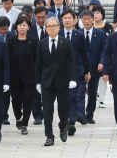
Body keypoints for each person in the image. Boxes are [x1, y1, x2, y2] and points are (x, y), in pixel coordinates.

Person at [35, 17, 78, 146]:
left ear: (59, 27)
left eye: (54, 26)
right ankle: (49, 136)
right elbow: (38, 64)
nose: (52, 28)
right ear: (46, 29)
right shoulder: (41, 43)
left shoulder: (66, 43)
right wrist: (37, 82)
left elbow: (71, 62)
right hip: (47, 81)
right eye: (49, 26)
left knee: (64, 108)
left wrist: (72, 79)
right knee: (47, 109)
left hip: (62, 80)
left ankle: (63, 126)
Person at [59, 8, 90, 135]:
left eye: (69, 18)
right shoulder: (57, 33)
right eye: (65, 18)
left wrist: (87, 71)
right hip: (59, 72)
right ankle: (64, 121)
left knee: (72, 97)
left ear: (74, 20)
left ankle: (71, 122)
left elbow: (84, 54)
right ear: (62, 20)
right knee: (62, 99)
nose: (67, 20)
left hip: (75, 72)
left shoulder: (79, 35)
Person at [8, 15, 38, 135]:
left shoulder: (33, 42)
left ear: (29, 27)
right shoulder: (10, 41)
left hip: (30, 77)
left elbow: (37, 60)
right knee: (15, 100)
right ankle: (18, 118)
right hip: (14, 76)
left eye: (24, 25)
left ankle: (25, 123)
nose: (22, 27)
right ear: (16, 27)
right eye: (20, 25)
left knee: (28, 100)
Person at [78, 10, 106, 124]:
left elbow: (103, 50)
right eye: (84, 19)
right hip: (80, 67)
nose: (87, 21)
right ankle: (80, 114)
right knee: (80, 91)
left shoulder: (100, 34)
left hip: (95, 67)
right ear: (81, 20)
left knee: (93, 92)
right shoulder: (77, 33)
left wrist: (101, 62)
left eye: (89, 18)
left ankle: (89, 114)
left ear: (93, 19)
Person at [29, 6, 48, 125]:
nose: (41, 20)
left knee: (48, 91)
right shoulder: (29, 29)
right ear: (34, 17)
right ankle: (37, 114)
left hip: (48, 65)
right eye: (38, 18)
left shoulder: (52, 28)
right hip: (33, 65)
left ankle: (47, 112)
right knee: (34, 92)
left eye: (43, 17)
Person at [0, 16, 15, 125]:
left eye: (5, 29)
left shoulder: (12, 37)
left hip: (8, 69)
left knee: (6, 94)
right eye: (1, 29)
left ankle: (5, 115)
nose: (3, 31)